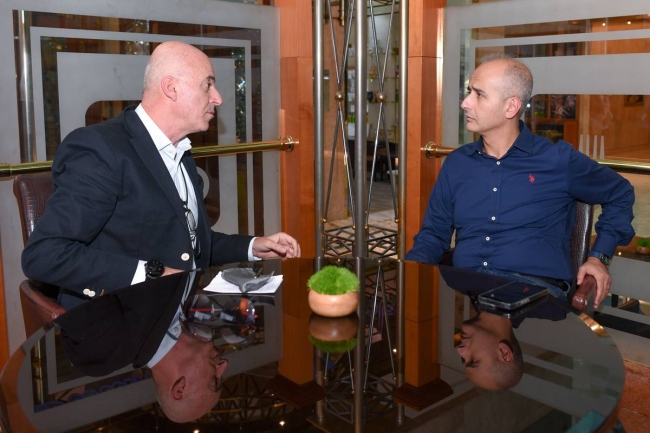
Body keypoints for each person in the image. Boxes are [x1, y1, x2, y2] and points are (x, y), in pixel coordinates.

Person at [21, 41, 300, 309]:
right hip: (119, 323)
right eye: (208, 84)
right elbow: (45, 255)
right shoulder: (99, 149)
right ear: (171, 88)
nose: (218, 98)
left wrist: (253, 246)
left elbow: (187, 241)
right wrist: (153, 274)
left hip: (175, 314)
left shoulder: (180, 151)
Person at [406, 53, 635, 308]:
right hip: (468, 293)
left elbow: (621, 193)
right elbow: (432, 236)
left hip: (535, 298)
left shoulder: (557, 160)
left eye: (479, 94)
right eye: (469, 92)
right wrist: (410, 277)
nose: (465, 103)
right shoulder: (458, 164)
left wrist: (599, 256)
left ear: (511, 106)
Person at [56, 270, 228, 423]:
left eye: (214, 381)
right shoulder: (190, 307)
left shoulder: (104, 351)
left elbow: (76, 271)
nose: (223, 365)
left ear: (179, 389)